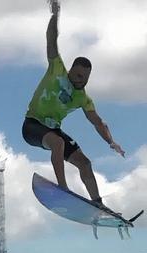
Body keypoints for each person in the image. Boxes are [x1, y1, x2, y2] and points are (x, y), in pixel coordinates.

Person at [22, 0, 125, 206]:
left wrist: (111, 141)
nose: (80, 81)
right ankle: (63, 189)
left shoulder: (83, 98)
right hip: (32, 126)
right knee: (58, 143)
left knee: (84, 163)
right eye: (78, 76)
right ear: (71, 70)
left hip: (53, 130)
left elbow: (98, 122)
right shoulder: (57, 69)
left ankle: (98, 204)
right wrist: (55, 16)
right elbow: (52, 40)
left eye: (85, 78)